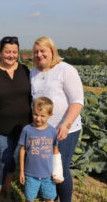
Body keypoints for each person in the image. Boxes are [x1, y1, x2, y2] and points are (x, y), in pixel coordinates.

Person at [30, 36, 84, 202]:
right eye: (36, 51)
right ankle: (49, 198)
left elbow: (78, 100)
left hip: (65, 129)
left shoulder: (65, 70)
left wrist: (66, 124)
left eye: (43, 51)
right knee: (47, 168)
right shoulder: (33, 73)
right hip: (43, 130)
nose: (39, 54)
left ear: (52, 51)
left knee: (59, 169)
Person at [0, 36, 32, 201]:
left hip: (23, 128)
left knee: (14, 159)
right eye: (7, 52)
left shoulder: (25, 70)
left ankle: (7, 187)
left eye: (14, 52)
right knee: (2, 161)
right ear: (0, 53)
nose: (11, 55)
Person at [19, 97, 64, 202]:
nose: (38, 118)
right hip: (30, 174)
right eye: (35, 114)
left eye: (42, 116)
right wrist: (21, 171)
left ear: (50, 115)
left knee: (49, 198)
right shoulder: (27, 130)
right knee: (29, 199)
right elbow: (22, 150)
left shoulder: (52, 131)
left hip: (48, 175)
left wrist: (58, 173)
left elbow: (56, 152)